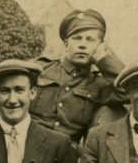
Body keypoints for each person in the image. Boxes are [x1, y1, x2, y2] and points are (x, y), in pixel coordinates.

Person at [30, 9, 125, 142]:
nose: (82, 45)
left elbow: (129, 91)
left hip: (65, 155)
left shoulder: (99, 84)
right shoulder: (40, 68)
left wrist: (104, 61)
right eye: (77, 38)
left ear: (100, 46)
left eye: (90, 40)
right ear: (66, 44)